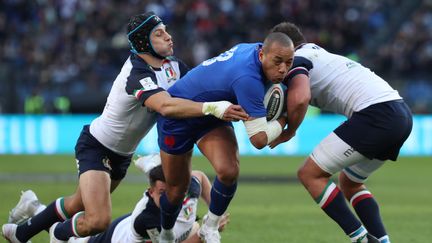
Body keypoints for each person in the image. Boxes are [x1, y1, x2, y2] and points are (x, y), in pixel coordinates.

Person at [1, 12, 248, 243]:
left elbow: (199, 90)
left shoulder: (175, 67)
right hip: (97, 147)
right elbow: (165, 106)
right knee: (97, 220)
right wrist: (213, 108)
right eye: (159, 33)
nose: (168, 36)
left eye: (166, 31)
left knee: (77, 204)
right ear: (143, 42)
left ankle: (23, 226)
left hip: (122, 155)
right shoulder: (136, 73)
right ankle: (58, 235)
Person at [269, 22, 413, 243]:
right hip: (400, 112)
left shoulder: (297, 60)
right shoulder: (319, 53)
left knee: (310, 174)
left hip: (375, 113)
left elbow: (301, 98)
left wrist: (289, 130)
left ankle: (364, 241)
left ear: (286, 46)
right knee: (350, 183)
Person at [156, 33, 295, 243]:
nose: (283, 69)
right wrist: (284, 120)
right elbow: (259, 140)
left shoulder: (258, 50)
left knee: (229, 171)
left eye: (289, 62)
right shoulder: (248, 79)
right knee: (176, 191)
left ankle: (209, 227)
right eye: (277, 62)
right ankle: (165, 234)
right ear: (262, 54)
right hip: (180, 115)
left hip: (214, 114)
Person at [6, 154, 229, 243]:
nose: (170, 196)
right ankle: (38, 212)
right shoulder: (148, 219)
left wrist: (214, 213)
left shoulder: (186, 186)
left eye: (171, 189)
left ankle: (33, 206)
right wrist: (209, 228)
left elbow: (199, 176)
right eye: (162, 193)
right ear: (151, 193)